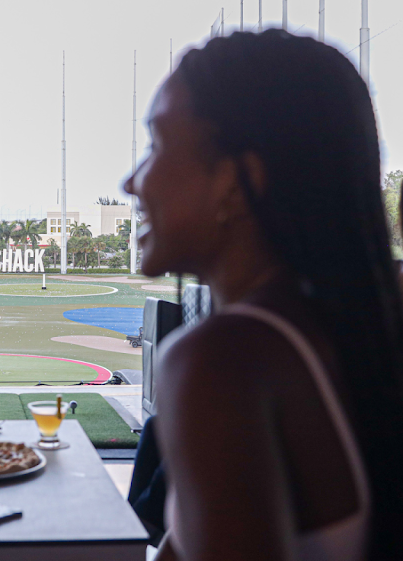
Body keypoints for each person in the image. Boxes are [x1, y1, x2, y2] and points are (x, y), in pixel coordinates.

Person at [124, 30, 403, 560]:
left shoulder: (220, 360)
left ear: (235, 180)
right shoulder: (344, 328)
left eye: (156, 145)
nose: (132, 183)